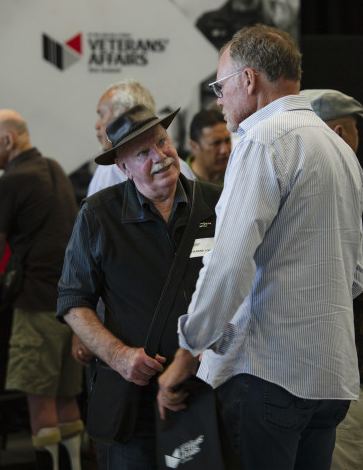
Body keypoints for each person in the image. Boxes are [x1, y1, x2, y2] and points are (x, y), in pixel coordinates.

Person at [157, 25, 363, 470]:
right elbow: (353, 277)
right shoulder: (339, 147)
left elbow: (229, 266)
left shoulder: (261, 141)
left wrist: (188, 350)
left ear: (248, 80)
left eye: (220, 85)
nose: (218, 99)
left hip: (268, 376)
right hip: (330, 378)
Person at [57, 104, 221, 470]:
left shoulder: (217, 203)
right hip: (136, 403)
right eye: (143, 153)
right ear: (123, 167)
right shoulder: (98, 215)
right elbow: (73, 300)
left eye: (162, 142)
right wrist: (119, 357)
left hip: (214, 392)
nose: (160, 156)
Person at [0, 109, 83, 470]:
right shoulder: (53, 169)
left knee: (41, 401)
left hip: (35, 307)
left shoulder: (10, 181)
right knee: (68, 398)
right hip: (71, 308)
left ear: (9, 140)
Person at [302, 88, 363, 470]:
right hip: (347, 366)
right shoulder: (347, 183)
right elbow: (349, 272)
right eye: (356, 130)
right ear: (343, 133)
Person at [87, 77, 195, 196]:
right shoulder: (182, 169)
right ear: (123, 167)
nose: (97, 125)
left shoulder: (109, 172)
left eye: (102, 115)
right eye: (143, 152)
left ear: (126, 116)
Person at [186, 109, 231, 184]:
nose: (225, 150)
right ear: (194, 146)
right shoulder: (180, 180)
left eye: (227, 141)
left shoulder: (237, 176)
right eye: (216, 143)